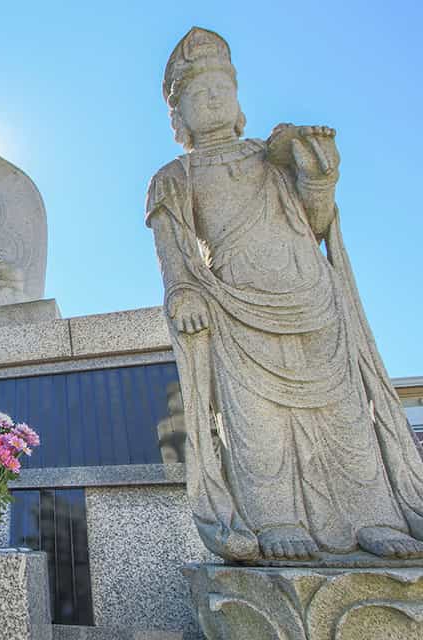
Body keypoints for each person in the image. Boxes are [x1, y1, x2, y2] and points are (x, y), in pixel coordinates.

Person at [146, 27, 423, 561]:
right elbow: (175, 255)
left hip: (311, 295)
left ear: (239, 97)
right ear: (177, 114)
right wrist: (183, 291)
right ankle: (275, 518)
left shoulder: (271, 157)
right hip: (235, 306)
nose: (213, 97)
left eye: (222, 86)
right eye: (197, 93)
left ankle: (374, 516)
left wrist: (319, 178)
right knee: (256, 423)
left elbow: (314, 223)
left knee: (346, 416)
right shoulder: (174, 177)